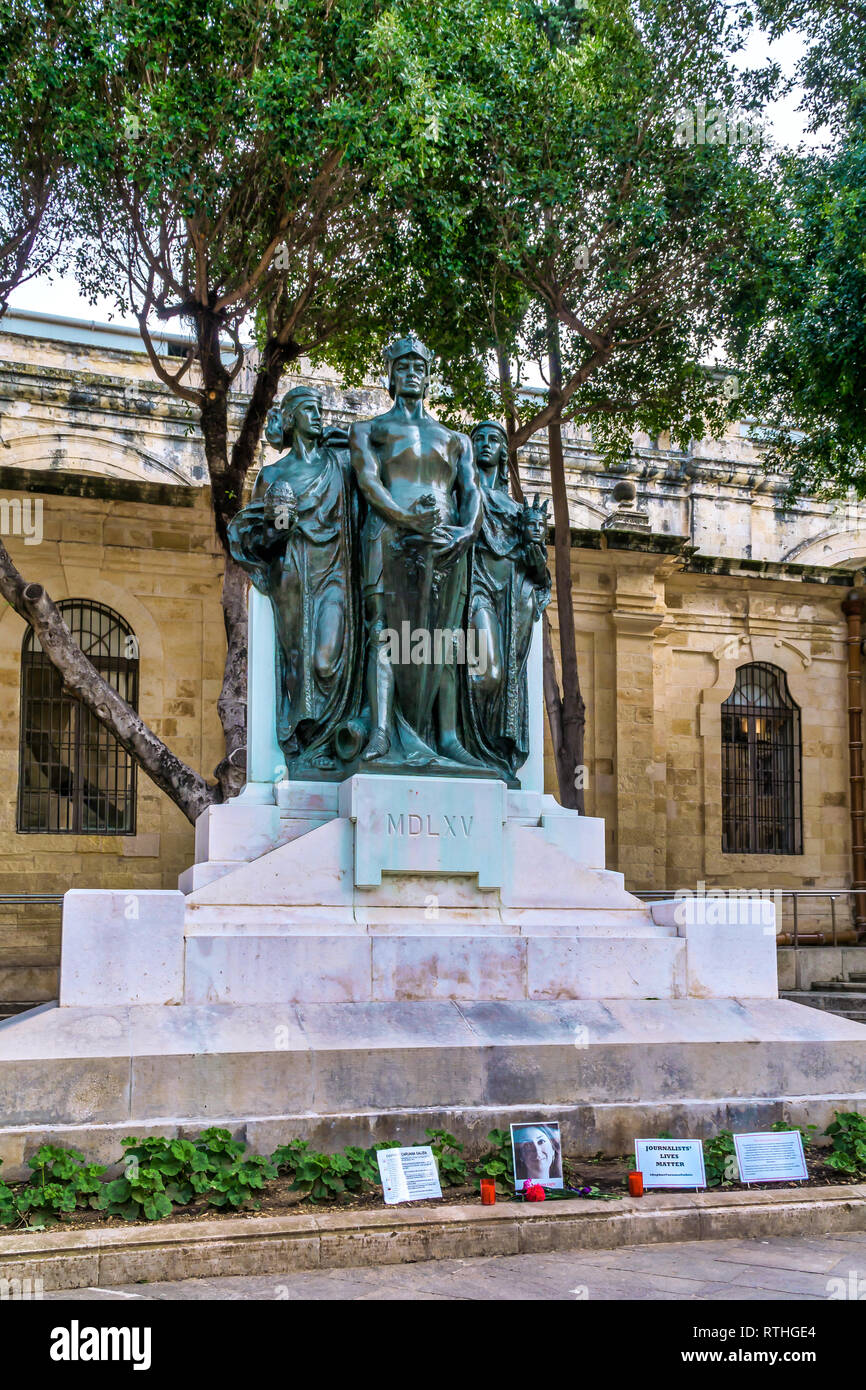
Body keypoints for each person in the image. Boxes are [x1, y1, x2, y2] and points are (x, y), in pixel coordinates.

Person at [349, 333, 486, 772]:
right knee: (383, 632)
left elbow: (472, 491)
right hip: (388, 536)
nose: (412, 373)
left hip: (447, 546)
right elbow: (369, 483)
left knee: (444, 640)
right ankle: (382, 733)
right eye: (404, 367)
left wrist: (466, 533)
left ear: (428, 379)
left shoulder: (455, 439)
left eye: (420, 368)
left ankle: (446, 737)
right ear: (390, 376)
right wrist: (406, 520)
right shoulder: (369, 430)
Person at [227, 386, 362, 775]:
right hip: (291, 573)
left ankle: (329, 736)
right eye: (308, 410)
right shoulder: (273, 475)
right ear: (290, 419)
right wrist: (278, 527)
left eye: (319, 410)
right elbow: (263, 538)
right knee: (297, 657)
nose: (317, 416)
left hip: (335, 571)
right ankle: (306, 744)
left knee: (326, 660)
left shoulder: (341, 464)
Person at [463, 421, 551, 780]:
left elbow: (539, 573)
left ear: (503, 452)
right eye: (479, 439)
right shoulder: (463, 497)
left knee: (505, 678)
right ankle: (471, 747)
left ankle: (492, 754)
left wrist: (533, 540)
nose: (485, 444)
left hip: (513, 599)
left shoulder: (518, 511)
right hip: (477, 590)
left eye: (494, 440)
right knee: (488, 672)